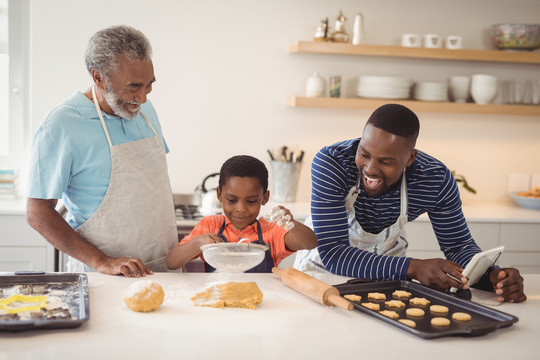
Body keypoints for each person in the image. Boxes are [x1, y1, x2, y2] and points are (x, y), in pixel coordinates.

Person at [294, 104, 526, 303]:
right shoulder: (332, 163)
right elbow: (335, 254)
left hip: (385, 286)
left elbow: (458, 246)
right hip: (319, 280)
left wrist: (492, 277)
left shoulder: (435, 180)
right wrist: (413, 267)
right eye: (364, 154)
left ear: (410, 158)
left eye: (385, 161)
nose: (370, 169)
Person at [26, 25, 177, 277]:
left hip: (164, 270)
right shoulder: (61, 124)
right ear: (98, 77)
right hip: (105, 276)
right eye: (133, 86)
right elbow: (37, 212)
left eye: (149, 85)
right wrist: (102, 261)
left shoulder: (144, 111)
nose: (143, 98)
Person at [166, 155, 318, 272]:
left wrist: (291, 224)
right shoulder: (211, 225)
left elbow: (310, 242)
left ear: (264, 198)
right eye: (232, 200)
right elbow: (172, 263)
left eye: (251, 201)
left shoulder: (270, 231)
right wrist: (197, 243)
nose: (241, 209)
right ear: (219, 194)